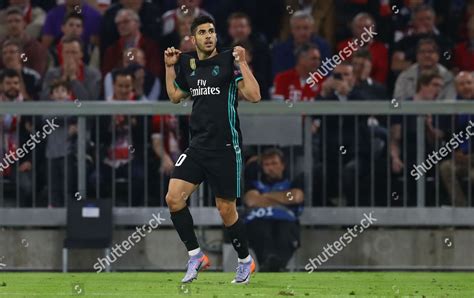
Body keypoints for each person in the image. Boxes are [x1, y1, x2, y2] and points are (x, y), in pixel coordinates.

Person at [164, 16, 261, 284]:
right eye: (203, 32)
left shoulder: (230, 60)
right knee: (173, 198)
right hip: (197, 146)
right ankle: (196, 255)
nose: (209, 36)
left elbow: (254, 95)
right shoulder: (187, 63)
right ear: (192, 38)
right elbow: (175, 96)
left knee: (226, 209)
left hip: (226, 147)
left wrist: (243, 62)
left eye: (212, 31)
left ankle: (245, 261)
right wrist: (169, 67)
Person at [390, 71, 448, 205]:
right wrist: (395, 157)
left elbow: (437, 140)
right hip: (407, 151)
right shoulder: (403, 105)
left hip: (431, 154)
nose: (438, 90)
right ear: (423, 85)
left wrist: (428, 126)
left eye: (440, 86)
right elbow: (395, 138)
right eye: (435, 85)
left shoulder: (440, 109)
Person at [243, 148, 304, 272]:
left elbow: (296, 197)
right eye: (266, 164)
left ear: (282, 165)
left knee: (284, 231)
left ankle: (275, 265)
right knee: (261, 229)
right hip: (258, 220)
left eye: (274, 163)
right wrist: (282, 197)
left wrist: (264, 196)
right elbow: (251, 201)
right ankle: (270, 264)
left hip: (286, 221)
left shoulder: (292, 182)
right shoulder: (254, 183)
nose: (270, 168)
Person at [439, 72, 474, 206]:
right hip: (461, 158)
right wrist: (455, 150)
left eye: (469, 83)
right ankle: (462, 210)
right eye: (461, 84)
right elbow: (448, 133)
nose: (466, 87)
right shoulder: (451, 108)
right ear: (456, 88)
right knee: (446, 167)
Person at [42, 79, 77, 207]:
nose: (60, 94)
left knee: (67, 185)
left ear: (69, 94)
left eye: (63, 91)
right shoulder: (47, 109)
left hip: (66, 152)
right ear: (51, 95)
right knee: (53, 185)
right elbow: (46, 119)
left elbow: (69, 115)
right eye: (56, 91)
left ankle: (68, 212)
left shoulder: (73, 107)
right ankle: (53, 212)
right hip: (51, 154)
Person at [101, 8, 162, 78]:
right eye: (118, 23)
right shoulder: (112, 51)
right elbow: (107, 76)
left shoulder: (151, 47)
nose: (122, 26)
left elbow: (155, 73)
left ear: (138, 23)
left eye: (126, 21)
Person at [271, 11, 331, 78]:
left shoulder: (323, 47)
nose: (302, 32)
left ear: (312, 29)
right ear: (292, 30)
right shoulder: (280, 49)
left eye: (306, 28)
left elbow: (327, 73)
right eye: (298, 28)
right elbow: (277, 74)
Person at [41, 36, 101, 100]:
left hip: (81, 109)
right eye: (67, 52)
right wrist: (63, 78)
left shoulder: (93, 74)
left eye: (74, 52)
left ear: (81, 54)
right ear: (62, 54)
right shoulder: (52, 74)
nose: (70, 56)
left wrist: (73, 78)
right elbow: (44, 98)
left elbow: (90, 100)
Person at [0, 6, 47, 75]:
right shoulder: (1, 46)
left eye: (17, 21)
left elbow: (38, 73)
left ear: (24, 23)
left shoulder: (34, 47)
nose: (13, 25)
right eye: (10, 22)